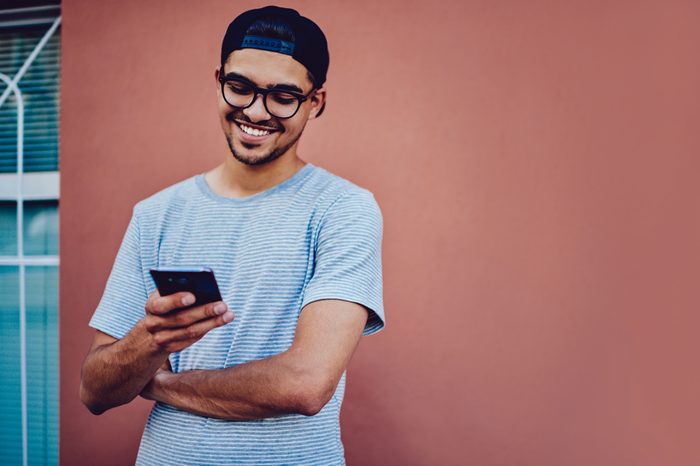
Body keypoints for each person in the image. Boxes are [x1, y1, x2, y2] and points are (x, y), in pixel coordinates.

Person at [79, 5, 385, 465]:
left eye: (283, 96)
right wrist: (151, 340)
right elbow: (94, 390)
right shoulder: (155, 214)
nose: (256, 112)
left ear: (315, 102)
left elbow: (304, 384)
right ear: (219, 79)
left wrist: (159, 383)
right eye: (239, 87)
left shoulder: (343, 209)